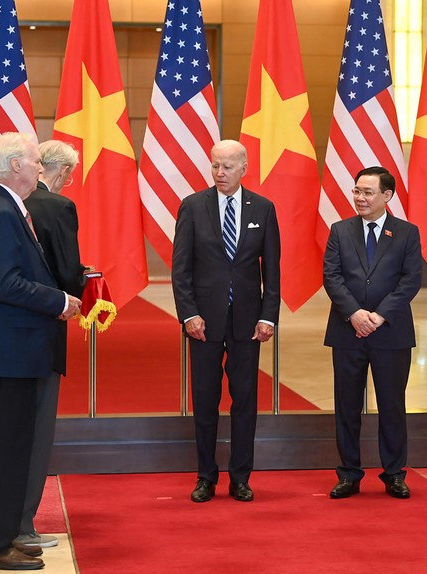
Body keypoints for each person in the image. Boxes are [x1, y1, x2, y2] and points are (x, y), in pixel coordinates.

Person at [0, 132, 81, 570]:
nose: (40, 169)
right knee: (1, 451)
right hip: (3, 353)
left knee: (8, 448)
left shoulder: (2, 206)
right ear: (14, 166)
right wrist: (59, 300)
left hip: (6, 351)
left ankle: (4, 532)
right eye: (34, 162)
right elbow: (7, 283)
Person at [171, 139, 280, 503]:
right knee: (205, 400)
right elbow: (181, 269)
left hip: (248, 322)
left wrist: (268, 316)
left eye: (227, 166)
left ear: (244, 168)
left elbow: (272, 271)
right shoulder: (192, 206)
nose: (220, 173)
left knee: (245, 400)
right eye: (215, 165)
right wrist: (189, 314)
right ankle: (205, 476)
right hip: (203, 322)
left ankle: (241, 477)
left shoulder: (263, 208)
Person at [323, 166, 422, 500]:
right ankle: (348, 474)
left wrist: (378, 316)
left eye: (367, 192)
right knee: (346, 407)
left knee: (392, 406)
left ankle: (394, 474)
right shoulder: (340, 230)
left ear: (386, 196)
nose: (360, 198)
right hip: (347, 331)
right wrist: (354, 313)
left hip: (390, 333)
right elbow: (332, 276)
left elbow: (410, 280)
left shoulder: (406, 233)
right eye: (357, 191)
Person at [17, 140, 86, 548]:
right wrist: (84, 282)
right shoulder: (58, 207)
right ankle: (23, 523)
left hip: (5, 336)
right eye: (69, 176)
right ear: (59, 172)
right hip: (42, 330)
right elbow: (67, 271)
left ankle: (5, 519)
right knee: (36, 435)